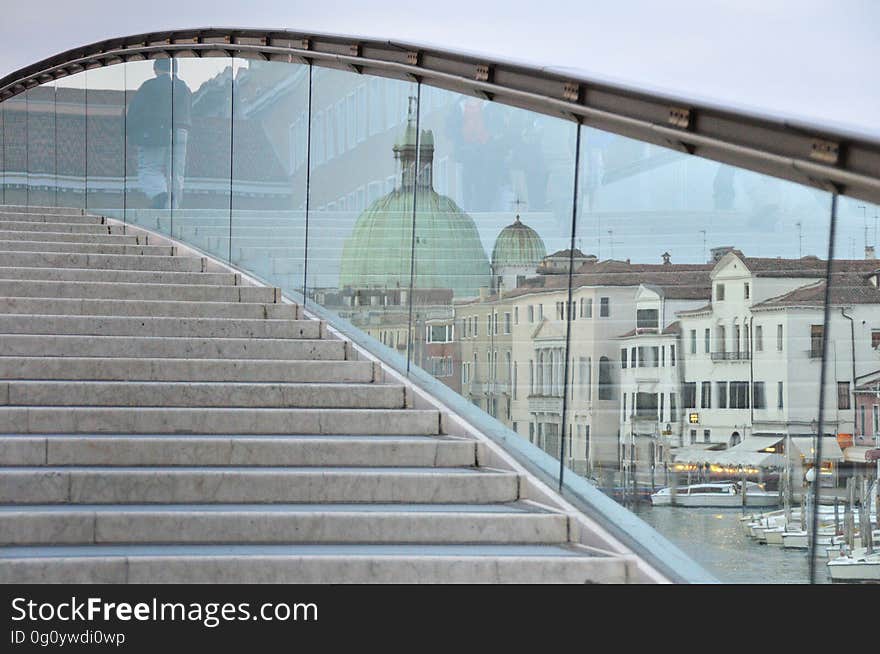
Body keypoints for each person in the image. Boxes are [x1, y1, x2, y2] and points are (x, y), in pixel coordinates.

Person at [126, 59, 192, 209]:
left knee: (149, 168)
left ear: (155, 68)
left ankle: (159, 196)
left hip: (156, 130)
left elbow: (135, 111)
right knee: (175, 173)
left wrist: (131, 131)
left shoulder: (150, 86)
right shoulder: (184, 88)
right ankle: (172, 208)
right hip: (182, 131)